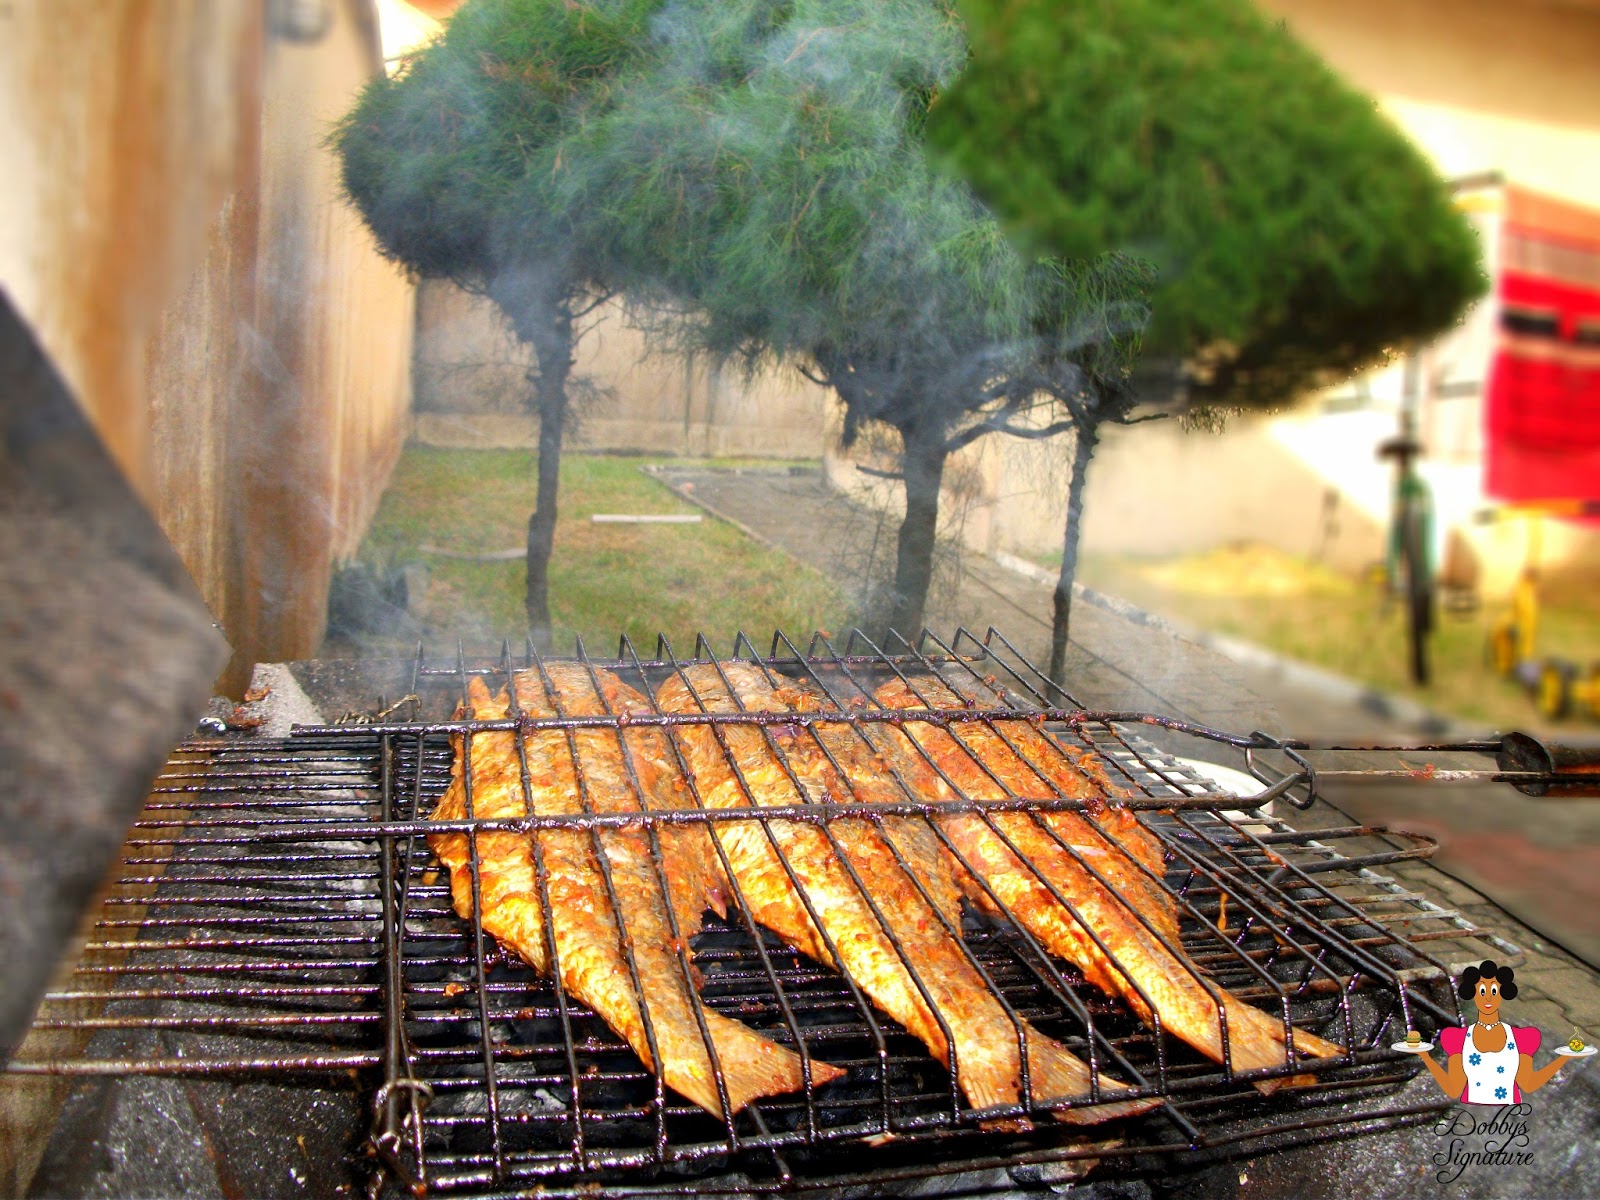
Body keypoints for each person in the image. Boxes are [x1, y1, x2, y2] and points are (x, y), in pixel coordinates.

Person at [1417, 960, 1567, 1104]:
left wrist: (1562, 1060)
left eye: (1494, 991)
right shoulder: (1458, 1038)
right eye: (1482, 991)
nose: (1488, 997)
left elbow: (1528, 1084)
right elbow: (1453, 1088)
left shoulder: (1521, 1038)